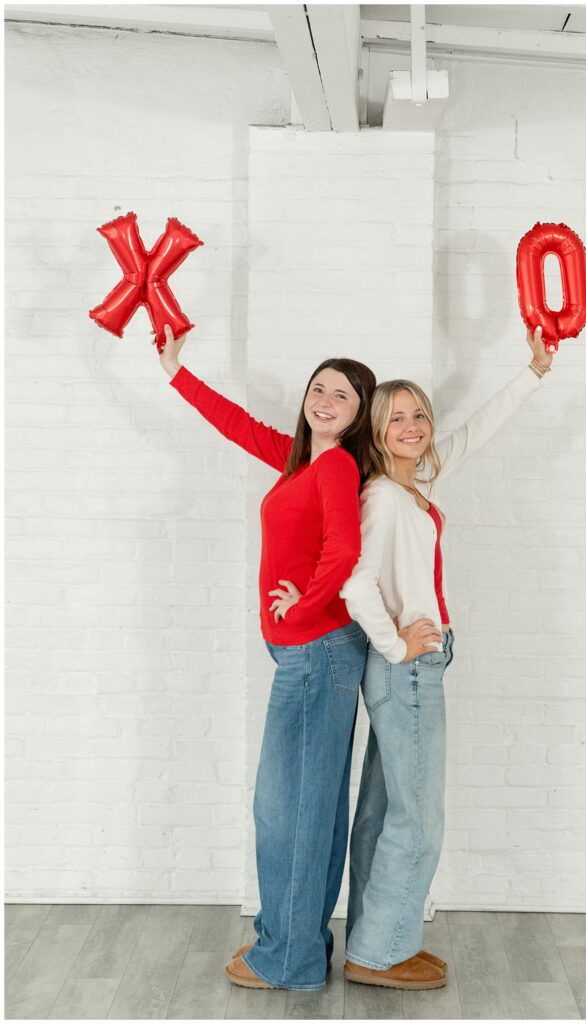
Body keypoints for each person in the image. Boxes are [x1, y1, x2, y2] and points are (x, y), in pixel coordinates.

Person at [159, 324, 376, 991]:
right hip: (310, 657)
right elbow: (236, 425)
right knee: (307, 809)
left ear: (359, 412)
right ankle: (298, 947)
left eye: (341, 395)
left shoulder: (337, 466)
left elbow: (343, 553)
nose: (325, 400)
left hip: (315, 653)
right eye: (319, 388)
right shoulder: (300, 462)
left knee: (288, 812)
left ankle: (286, 959)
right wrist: (176, 371)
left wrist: (301, 610)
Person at [340, 326, 553, 990]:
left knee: (386, 809)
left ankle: (376, 941)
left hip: (410, 669)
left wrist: (533, 371)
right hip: (406, 671)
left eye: (418, 414)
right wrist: (395, 641)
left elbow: (474, 433)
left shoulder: (412, 485)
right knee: (417, 815)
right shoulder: (380, 498)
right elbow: (356, 582)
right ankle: (379, 955)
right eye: (395, 417)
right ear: (375, 432)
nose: (412, 425)